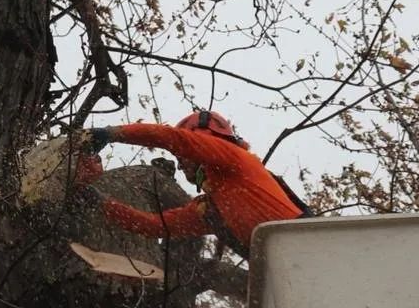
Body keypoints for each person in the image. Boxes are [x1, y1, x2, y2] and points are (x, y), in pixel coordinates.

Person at [84, 110, 307, 258]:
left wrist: (112, 133)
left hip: (310, 246)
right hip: (281, 268)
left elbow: (174, 139)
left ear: (203, 137)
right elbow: (155, 226)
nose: (180, 165)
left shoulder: (235, 158)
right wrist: (98, 201)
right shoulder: (212, 210)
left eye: (182, 157)